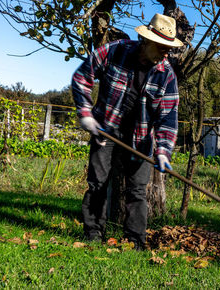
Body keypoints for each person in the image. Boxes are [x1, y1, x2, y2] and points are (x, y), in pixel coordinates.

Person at [72, 13, 183, 249]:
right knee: (98, 183)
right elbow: (82, 77)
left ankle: (135, 240)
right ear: (146, 40)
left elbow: (168, 118)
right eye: (162, 47)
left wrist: (163, 151)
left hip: (140, 139)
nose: (166, 52)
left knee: (137, 191)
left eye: (169, 48)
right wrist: (86, 114)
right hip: (105, 131)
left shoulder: (167, 76)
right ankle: (93, 233)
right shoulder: (115, 52)